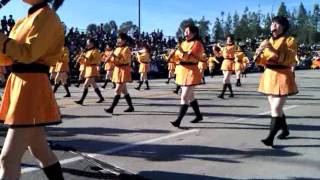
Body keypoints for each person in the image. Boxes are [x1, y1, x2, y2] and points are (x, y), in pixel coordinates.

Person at [0, 0, 65, 179]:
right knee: (39, 150)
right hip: (18, 84)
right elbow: (6, 57)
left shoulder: (48, 16)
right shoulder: (22, 21)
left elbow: (29, 54)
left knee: (8, 158)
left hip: (31, 86)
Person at [255, 16, 298, 147]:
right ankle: (285, 130)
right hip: (269, 76)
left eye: (277, 24)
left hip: (282, 76)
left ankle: (270, 138)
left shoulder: (289, 40)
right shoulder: (266, 41)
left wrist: (272, 49)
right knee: (276, 108)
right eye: (272, 23)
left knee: (276, 108)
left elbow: (290, 59)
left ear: (283, 27)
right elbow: (262, 60)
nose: (274, 25)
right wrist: (258, 54)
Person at [170, 24, 204, 128]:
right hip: (182, 71)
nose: (185, 33)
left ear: (194, 33)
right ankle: (199, 115)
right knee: (191, 96)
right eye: (185, 31)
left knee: (184, 96)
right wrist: (171, 55)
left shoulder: (197, 44)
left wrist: (181, 53)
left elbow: (191, 58)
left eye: (188, 31)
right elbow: (177, 58)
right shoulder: (183, 43)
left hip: (191, 72)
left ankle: (178, 120)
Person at [104, 33, 134, 114]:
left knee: (117, 90)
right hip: (117, 69)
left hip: (123, 69)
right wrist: (109, 59)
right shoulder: (116, 49)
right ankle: (131, 107)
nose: (118, 40)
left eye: (119, 39)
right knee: (124, 91)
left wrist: (114, 56)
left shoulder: (127, 49)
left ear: (124, 40)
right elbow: (115, 60)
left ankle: (111, 108)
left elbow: (125, 60)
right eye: (118, 39)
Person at [75, 38, 104, 105]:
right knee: (94, 85)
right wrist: (80, 59)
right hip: (88, 69)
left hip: (92, 69)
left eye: (88, 43)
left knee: (85, 85)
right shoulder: (87, 51)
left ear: (92, 43)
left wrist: (85, 58)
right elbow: (85, 62)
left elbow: (96, 61)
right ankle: (101, 97)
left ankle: (81, 100)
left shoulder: (95, 51)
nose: (87, 44)